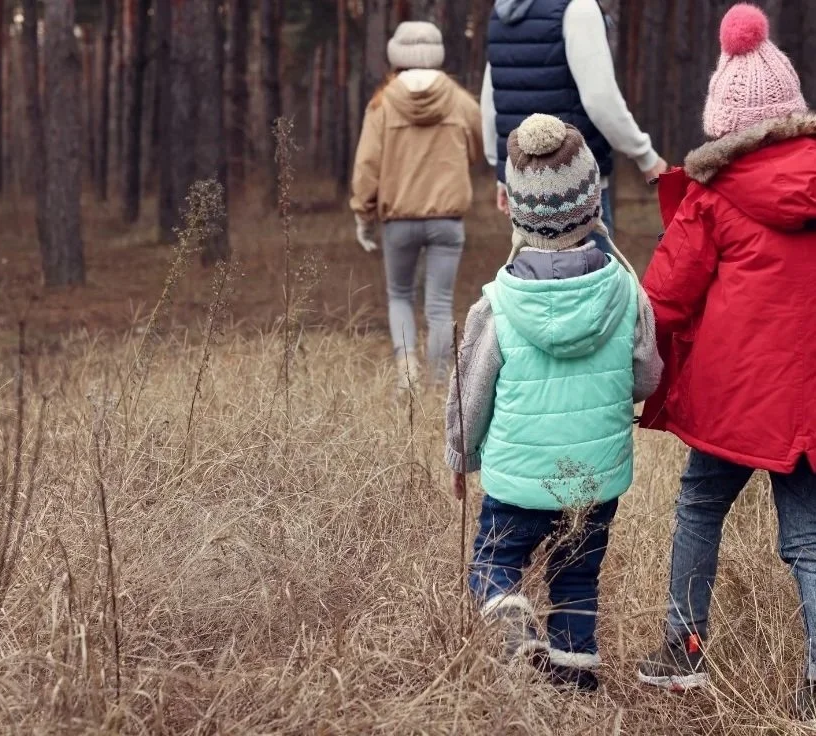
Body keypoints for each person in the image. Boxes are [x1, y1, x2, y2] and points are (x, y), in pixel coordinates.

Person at [635, 4, 816, 716]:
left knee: (701, 505)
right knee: (808, 538)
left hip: (738, 397)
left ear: (724, 121)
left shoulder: (712, 198)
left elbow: (666, 301)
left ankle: (682, 650)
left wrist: (630, 364)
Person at [445, 114, 662, 691]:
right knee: (575, 581)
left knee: (495, 564)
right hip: (592, 481)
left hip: (517, 480)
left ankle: (511, 620)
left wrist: (460, 458)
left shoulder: (498, 305)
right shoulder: (625, 292)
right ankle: (576, 684)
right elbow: (646, 378)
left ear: (516, 211)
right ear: (593, 203)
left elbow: (472, 395)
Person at [350, 22, 482, 390]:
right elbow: (476, 147)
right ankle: (441, 384)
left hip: (398, 221)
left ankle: (407, 374)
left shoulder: (382, 103)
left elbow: (366, 165)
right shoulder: (459, 100)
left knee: (400, 296)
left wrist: (363, 213)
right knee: (440, 303)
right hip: (447, 220)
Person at [481, 0, 668, 253]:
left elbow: (491, 97)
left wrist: (502, 174)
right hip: (577, 186)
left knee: (534, 285)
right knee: (595, 286)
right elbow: (600, 99)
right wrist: (645, 156)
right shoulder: (578, 8)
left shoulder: (502, 11)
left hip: (523, 187)